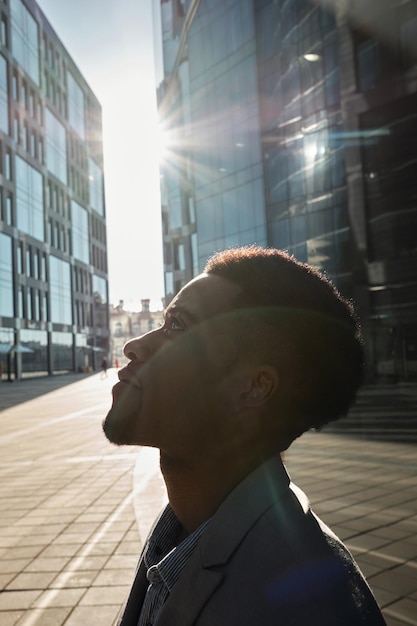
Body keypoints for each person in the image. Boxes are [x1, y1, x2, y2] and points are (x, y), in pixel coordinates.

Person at [103, 246, 386, 626]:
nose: (133, 345)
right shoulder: (177, 531)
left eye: (179, 326)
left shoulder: (309, 605)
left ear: (254, 388)